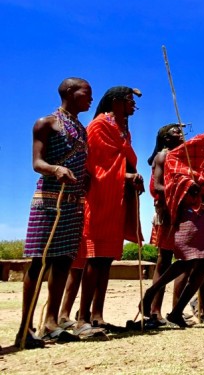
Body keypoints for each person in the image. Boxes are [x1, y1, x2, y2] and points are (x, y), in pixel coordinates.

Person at [142, 112, 204, 327]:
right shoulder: (202, 141)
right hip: (193, 207)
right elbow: (173, 160)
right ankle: (151, 294)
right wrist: (192, 180)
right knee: (189, 259)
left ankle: (176, 312)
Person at [15, 78, 92, 348]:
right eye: (86, 93)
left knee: (63, 262)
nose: (90, 99)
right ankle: (24, 329)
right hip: (48, 199)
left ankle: (50, 323)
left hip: (73, 202)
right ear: (70, 92)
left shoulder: (81, 129)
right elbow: (37, 162)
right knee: (39, 262)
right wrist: (55, 169)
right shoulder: (46, 123)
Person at [72, 86, 144, 332]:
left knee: (106, 260)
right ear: (115, 102)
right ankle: (81, 318)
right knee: (94, 258)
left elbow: (120, 161)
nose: (133, 105)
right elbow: (97, 166)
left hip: (117, 199)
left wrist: (131, 177)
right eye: (129, 100)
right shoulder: (99, 126)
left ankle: (98, 316)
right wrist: (127, 176)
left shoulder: (122, 130)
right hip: (100, 196)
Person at [147, 124, 184, 324]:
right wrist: (182, 188)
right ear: (166, 138)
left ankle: (177, 310)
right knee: (164, 261)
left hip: (183, 213)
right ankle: (154, 311)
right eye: (175, 132)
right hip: (168, 213)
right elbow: (158, 185)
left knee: (185, 261)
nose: (180, 134)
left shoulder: (184, 156)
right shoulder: (163, 156)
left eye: (181, 131)